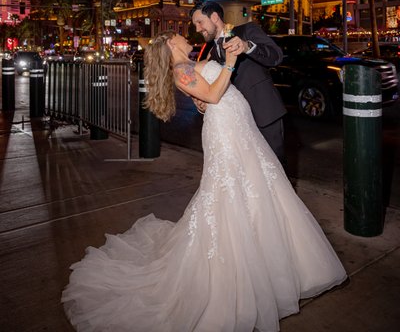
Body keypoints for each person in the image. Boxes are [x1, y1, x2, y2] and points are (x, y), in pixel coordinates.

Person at [62, 30, 347, 332]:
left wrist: (222, 64)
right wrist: (230, 64)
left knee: (260, 189)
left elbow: (207, 92)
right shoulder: (180, 69)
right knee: (229, 195)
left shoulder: (192, 63)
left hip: (240, 129)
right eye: (178, 35)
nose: (185, 36)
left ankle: (274, 265)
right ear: (171, 45)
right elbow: (212, 94)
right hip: (226, 135)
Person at [190, 0, 287, 163]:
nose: (198, 29)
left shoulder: (247, 30)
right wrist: (202, 102)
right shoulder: (210, 53)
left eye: (200, 22)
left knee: (274, 171)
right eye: (195, 25)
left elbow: (276, 56)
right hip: (235, 123)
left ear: (214, 17)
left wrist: (247, 46)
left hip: (264, 114)